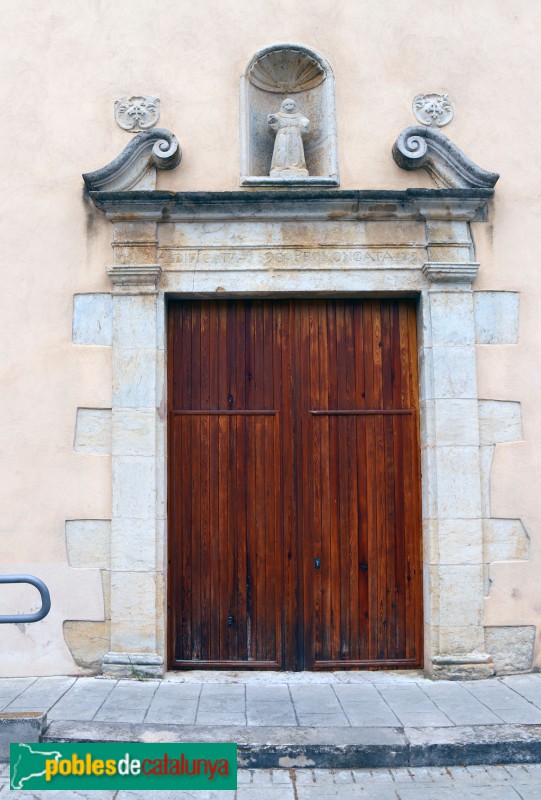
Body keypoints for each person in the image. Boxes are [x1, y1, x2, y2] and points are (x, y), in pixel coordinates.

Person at [268, 98, 310, 177]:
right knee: (281, 149)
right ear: (283, 106)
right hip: (282, 134)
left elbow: (303, 121)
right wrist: (272, 119)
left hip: (295, 135)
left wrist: (304, 122)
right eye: (287, 104)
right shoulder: (279, 115)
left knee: (296, 150)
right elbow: (273, 124)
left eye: (291, 104)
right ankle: (280, 166)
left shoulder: (298, 115)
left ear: (294, 106)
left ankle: (296, 167)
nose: (289, 106)